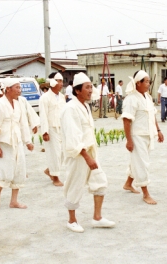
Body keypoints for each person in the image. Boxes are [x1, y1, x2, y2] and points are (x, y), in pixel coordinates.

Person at [60, 72, 115, 233]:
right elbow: (73, 136)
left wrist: (91, 156)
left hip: (90, 152)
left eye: (91, 87)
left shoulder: (85, 106)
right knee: (75, 185)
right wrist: (86, 157)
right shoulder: (70, 108)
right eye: (87, 87)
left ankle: (97, 218)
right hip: (78, 154)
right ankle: (72, 220)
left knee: (100, 181)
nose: (91, 90)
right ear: (78, 90)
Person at [0, 78, 34, 209]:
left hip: (17, 141)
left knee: (19, 170)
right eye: (17, 88)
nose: (19, 91)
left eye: (20, 88)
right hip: (4, 143)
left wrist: (28, 141)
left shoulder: (18, 103)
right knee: (7, 171)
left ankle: (14, 201)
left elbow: (23, 123)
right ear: (8, 89)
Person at [121, 70, 164, 205]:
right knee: (142, 163)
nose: (148, 83)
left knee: (138, 161)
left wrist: (158, 130)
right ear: (138, 83)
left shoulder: (148, 97)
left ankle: (128, 183)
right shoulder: (131, 99)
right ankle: (146, 193)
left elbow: (153, 114)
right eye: (146, 81)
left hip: (148, 134)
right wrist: (129, 140)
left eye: (148, 81)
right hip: (137, 136)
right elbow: (126, 120)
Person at [39, 72, 66, 186]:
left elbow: (64, 113)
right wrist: (45, 132)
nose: (61, 84)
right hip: (51, 128)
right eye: (59, 81)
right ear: (53, 82)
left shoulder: (62, 97)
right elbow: (43, 115)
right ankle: (55, 177)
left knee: (63, 152)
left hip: (61, 128)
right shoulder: (44, 98)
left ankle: (50, 170)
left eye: (62, 81)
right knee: (54, 153)